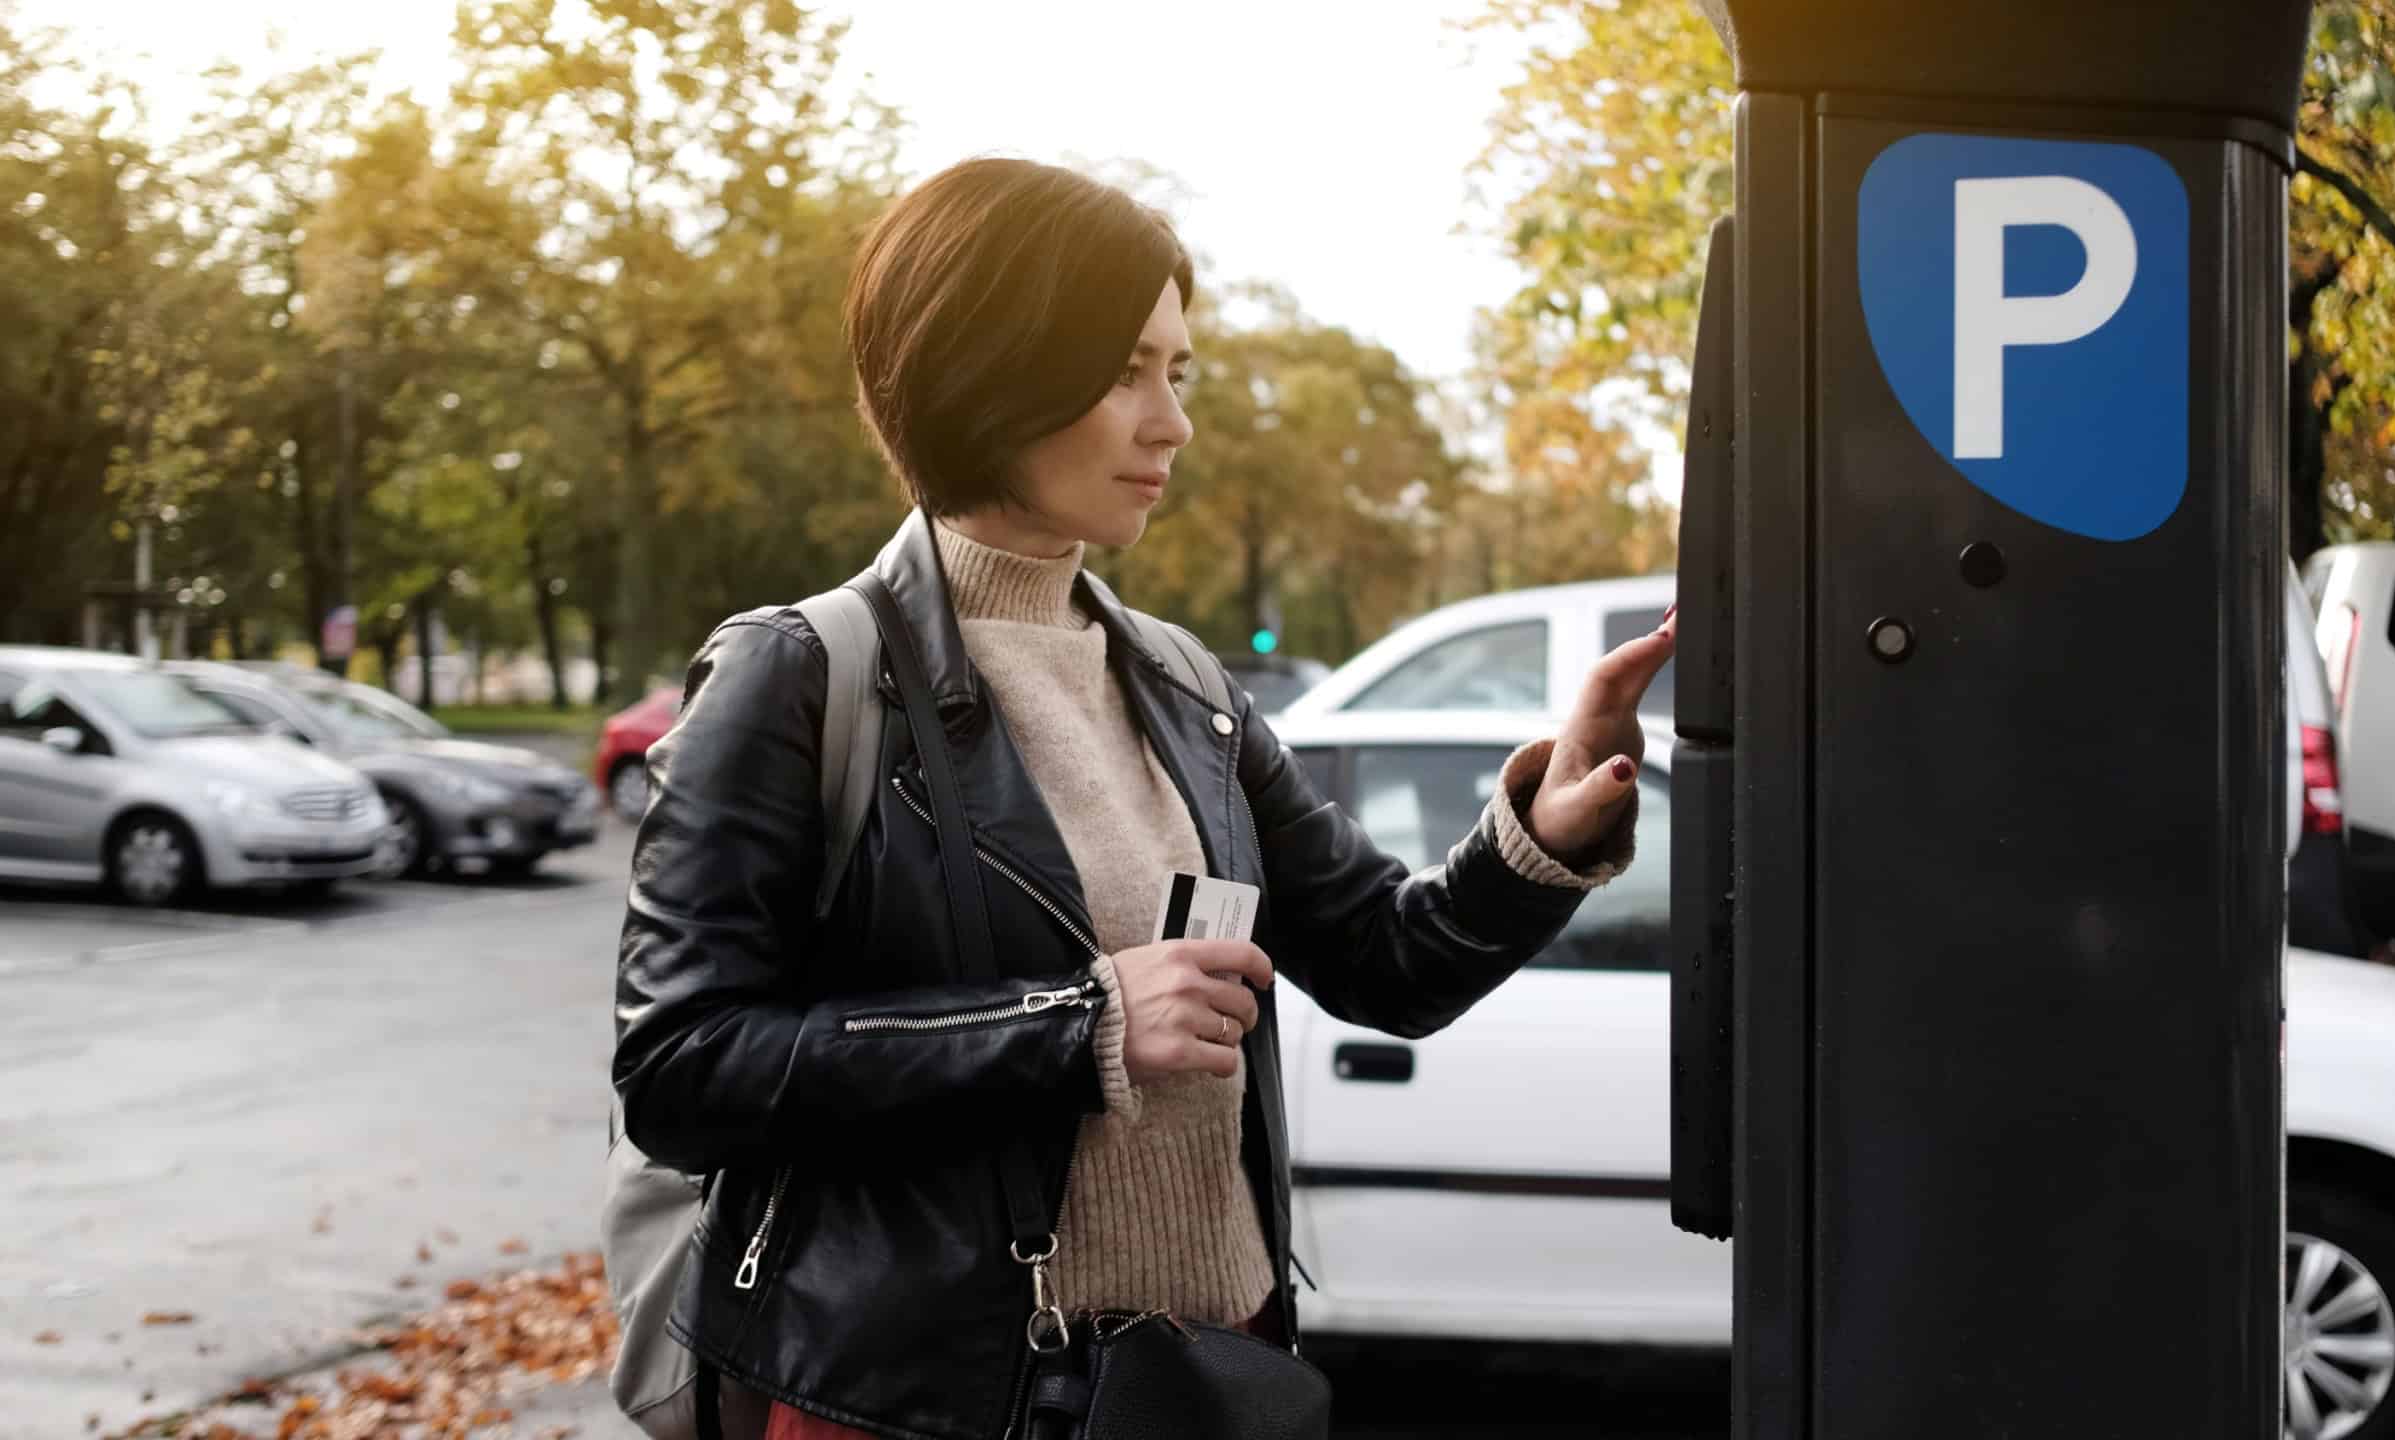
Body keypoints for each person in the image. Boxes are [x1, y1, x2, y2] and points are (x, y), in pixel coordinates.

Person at [612, 156, 1676, 1440]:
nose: (1171, 424)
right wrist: (1078, 1023)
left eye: (1179, 372)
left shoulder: (1184, 686)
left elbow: (1389, 963)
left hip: (1198, 1381)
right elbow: (682, 1069)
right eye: (1124, 372)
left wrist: (1542, 834)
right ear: (988, 368)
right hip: (914, 1405)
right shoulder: (797, 673)